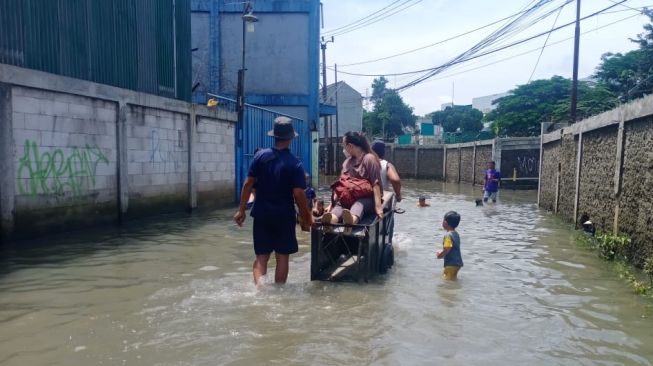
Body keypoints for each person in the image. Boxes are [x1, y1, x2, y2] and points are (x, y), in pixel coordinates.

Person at [234, 116, 313, 286]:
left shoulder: (260, 157)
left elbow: (248, 184)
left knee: (261, 257)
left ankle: (260, 293)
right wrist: (306, 217)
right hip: (284, 216)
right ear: (291, 138)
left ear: (274, 136)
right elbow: (299, 194)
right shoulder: (295, 164)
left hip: (262, 214)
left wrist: (241, 210)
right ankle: (278, 293)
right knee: (282, 257)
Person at [322, 131, 383, 227]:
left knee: (358, 205)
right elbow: (341, 185)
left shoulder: (369, 159)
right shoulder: (347, 162)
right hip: (348, 198)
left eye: (344, 145)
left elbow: (376, 184)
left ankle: (352, 219)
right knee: (339, 206)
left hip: (366, 199)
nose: (343, 148)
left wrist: (378, 208)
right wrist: (331, 204)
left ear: (350, 146)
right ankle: (331, 219)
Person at [436, 211, 463, 280]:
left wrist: (440, 255)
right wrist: (443, 252)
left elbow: (448, 248)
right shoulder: (456, 234)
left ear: (445, 222)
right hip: (457, 263)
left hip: (451, 264)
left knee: (447, 281)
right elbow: (452, 247)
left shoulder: (448, 235)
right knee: (452, 279)